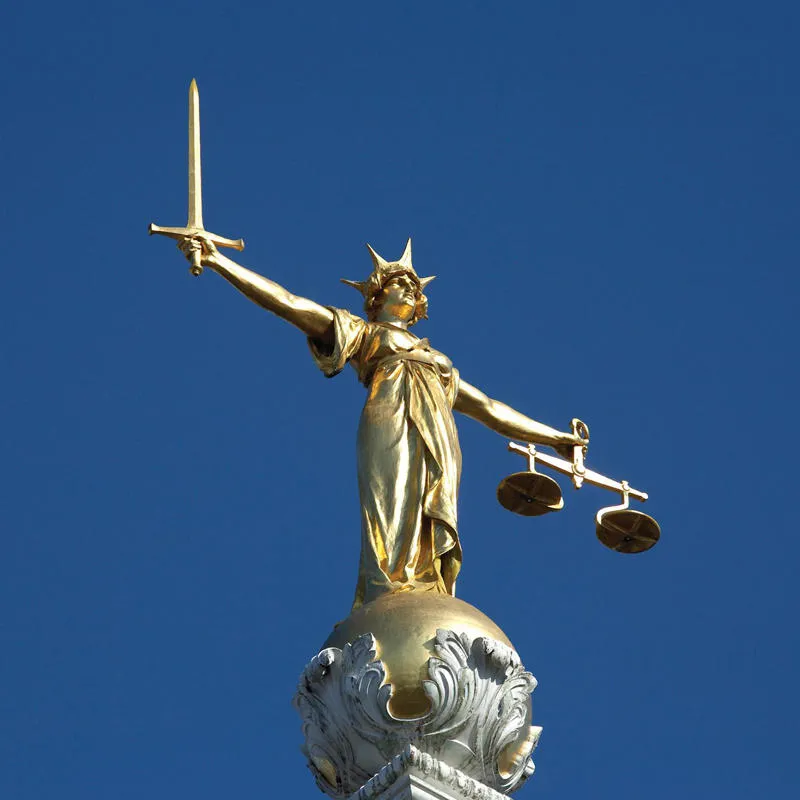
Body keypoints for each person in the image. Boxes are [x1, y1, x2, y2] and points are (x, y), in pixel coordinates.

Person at [179, 237, 586, 609]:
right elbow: (289, 303)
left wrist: (554, 438)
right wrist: (219, 261)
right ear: (376, 296)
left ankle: (426, 587)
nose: (410, 289)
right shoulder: (364, 333)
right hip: (389, 419)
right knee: (389, 508)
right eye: (399, 283)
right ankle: (387, 594)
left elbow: (491, 409)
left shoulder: (437, 362)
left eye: (414, 287)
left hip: (439, 437)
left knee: (428, 510)